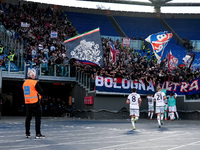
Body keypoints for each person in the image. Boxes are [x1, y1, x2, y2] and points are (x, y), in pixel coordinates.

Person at [22, 70, 45, 139]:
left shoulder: (24, 83)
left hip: (27, 103)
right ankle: (38, 133)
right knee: (38, 118)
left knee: (28, 118)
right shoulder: (34, 82)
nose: (34, 76)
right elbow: (41, 91)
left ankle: (27, 133)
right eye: (34, 75)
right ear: (32, 76)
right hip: (35, 102)